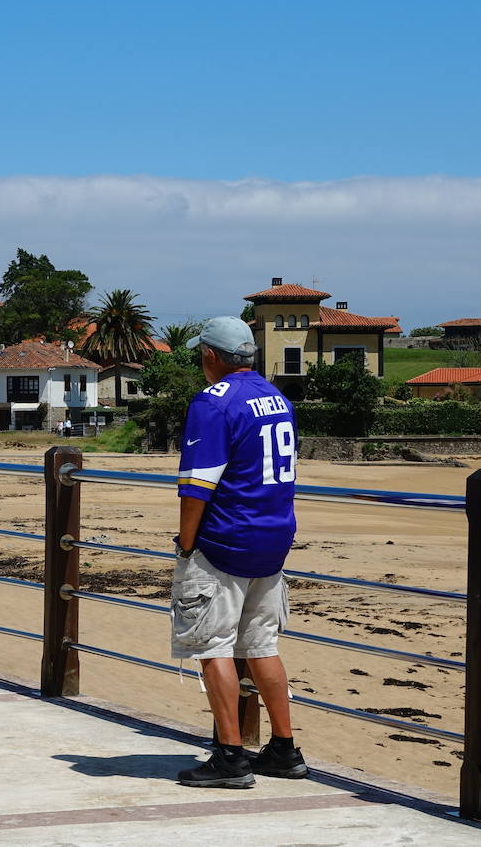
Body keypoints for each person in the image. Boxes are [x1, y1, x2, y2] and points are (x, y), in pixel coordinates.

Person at [172, 316, 306, 787]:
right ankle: (284, 750)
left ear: (210, 355)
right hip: (273, 540)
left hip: (225, 539)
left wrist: (186, 544)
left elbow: (197, 486)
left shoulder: (213, 404)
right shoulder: (277, 398)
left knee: (214, 647)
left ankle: (230, 756)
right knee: (263, 644)